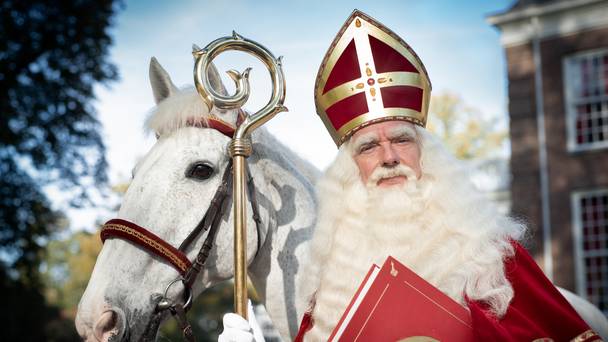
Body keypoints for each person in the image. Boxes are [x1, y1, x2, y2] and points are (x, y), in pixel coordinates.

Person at [220, 10, 602, 341]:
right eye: (368, 147)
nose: (388, 157)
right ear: (350, 173)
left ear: (427, 156)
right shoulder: (331, 281)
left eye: (402, 140)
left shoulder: (493, 257)